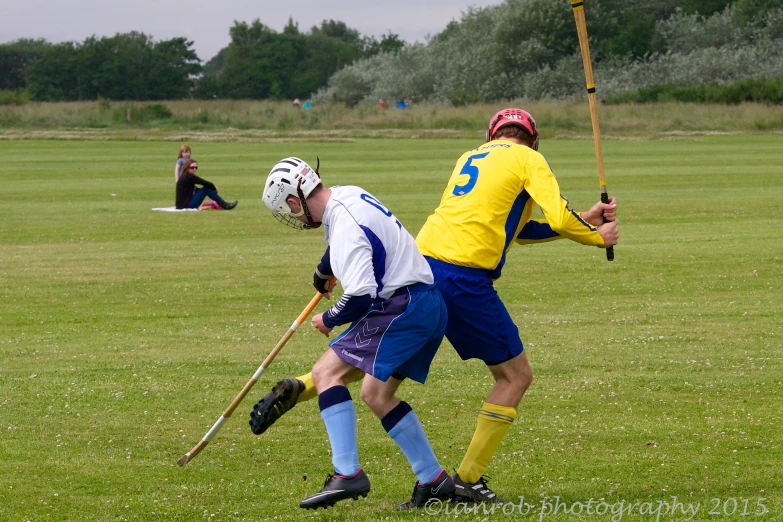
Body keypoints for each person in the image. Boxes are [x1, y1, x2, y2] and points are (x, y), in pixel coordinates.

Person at [250, 109, 619, 503]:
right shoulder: (528, 158)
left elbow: (515, 229)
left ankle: (308, 386)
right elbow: (560, 217)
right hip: (462, 279)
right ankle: (467, 480)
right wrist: (599, 236)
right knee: (515, 377)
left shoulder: (470, 157)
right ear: (534, 139)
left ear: (491, 135)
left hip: (421, 268)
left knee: (382, 375)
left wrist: (585, 218)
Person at [260, 157, 454, 510]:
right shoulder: (346, 194)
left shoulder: (345, 227)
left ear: (294, 200)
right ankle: (434, 481)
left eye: (290, 211)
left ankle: (347, 474)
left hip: (403, 307)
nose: (295, 218)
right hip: (427, 304)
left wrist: (330, 319)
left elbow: (361, 294)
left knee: (326, 372)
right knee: (376, 395)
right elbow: (343, 246)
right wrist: (323, 270)